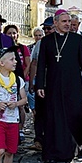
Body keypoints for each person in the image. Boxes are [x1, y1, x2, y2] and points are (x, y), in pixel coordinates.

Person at [35, 10, 82, 162]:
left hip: (73, 84)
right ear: (55, 23)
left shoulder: (76, 39)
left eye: (69, 21)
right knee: (55, 118)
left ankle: (79, 145)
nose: (68, 24)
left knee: (77, 114)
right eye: (64, 21)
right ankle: (55, 153)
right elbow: (41, 64)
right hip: (54, 84)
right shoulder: (47, 42)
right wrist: (40, 85)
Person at [27, 17, 54, 151]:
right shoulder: (40, 43)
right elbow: (34, 63)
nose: (46, 31)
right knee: (39, 113)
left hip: (55, 83)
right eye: (45, 29)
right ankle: (39, 139)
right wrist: (32, 82)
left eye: (49, 28)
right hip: (41, 83)